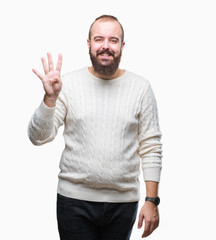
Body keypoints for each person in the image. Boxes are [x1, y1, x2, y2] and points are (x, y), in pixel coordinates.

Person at [28, 15, 163, 240]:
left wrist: (151, 201)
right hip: (74, 202)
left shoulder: (140, 88)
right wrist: (49, 99)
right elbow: (38, 137)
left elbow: (151, 147)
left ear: (122, 45)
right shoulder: (67, 84)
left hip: (123, 203)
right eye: (99, 39)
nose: (105, 46)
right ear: (89, 43)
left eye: (113, 40)